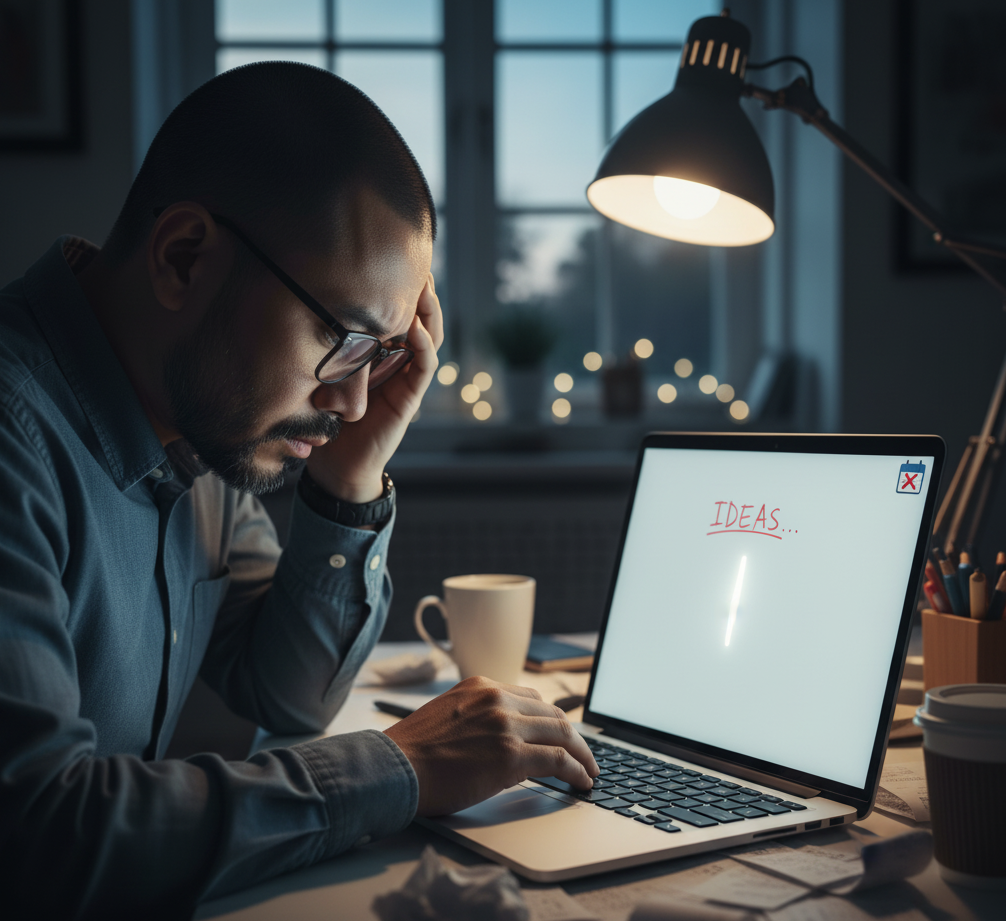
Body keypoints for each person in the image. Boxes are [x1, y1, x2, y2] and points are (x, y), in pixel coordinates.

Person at [0, 63, 597, 920]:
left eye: (382, 356)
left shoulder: (188, 427)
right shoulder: (17, 439)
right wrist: (403, 767)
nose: (354, 399)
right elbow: (38, 840)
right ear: (183, 257)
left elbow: (285, 691)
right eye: (344, 338)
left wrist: (349, 475)